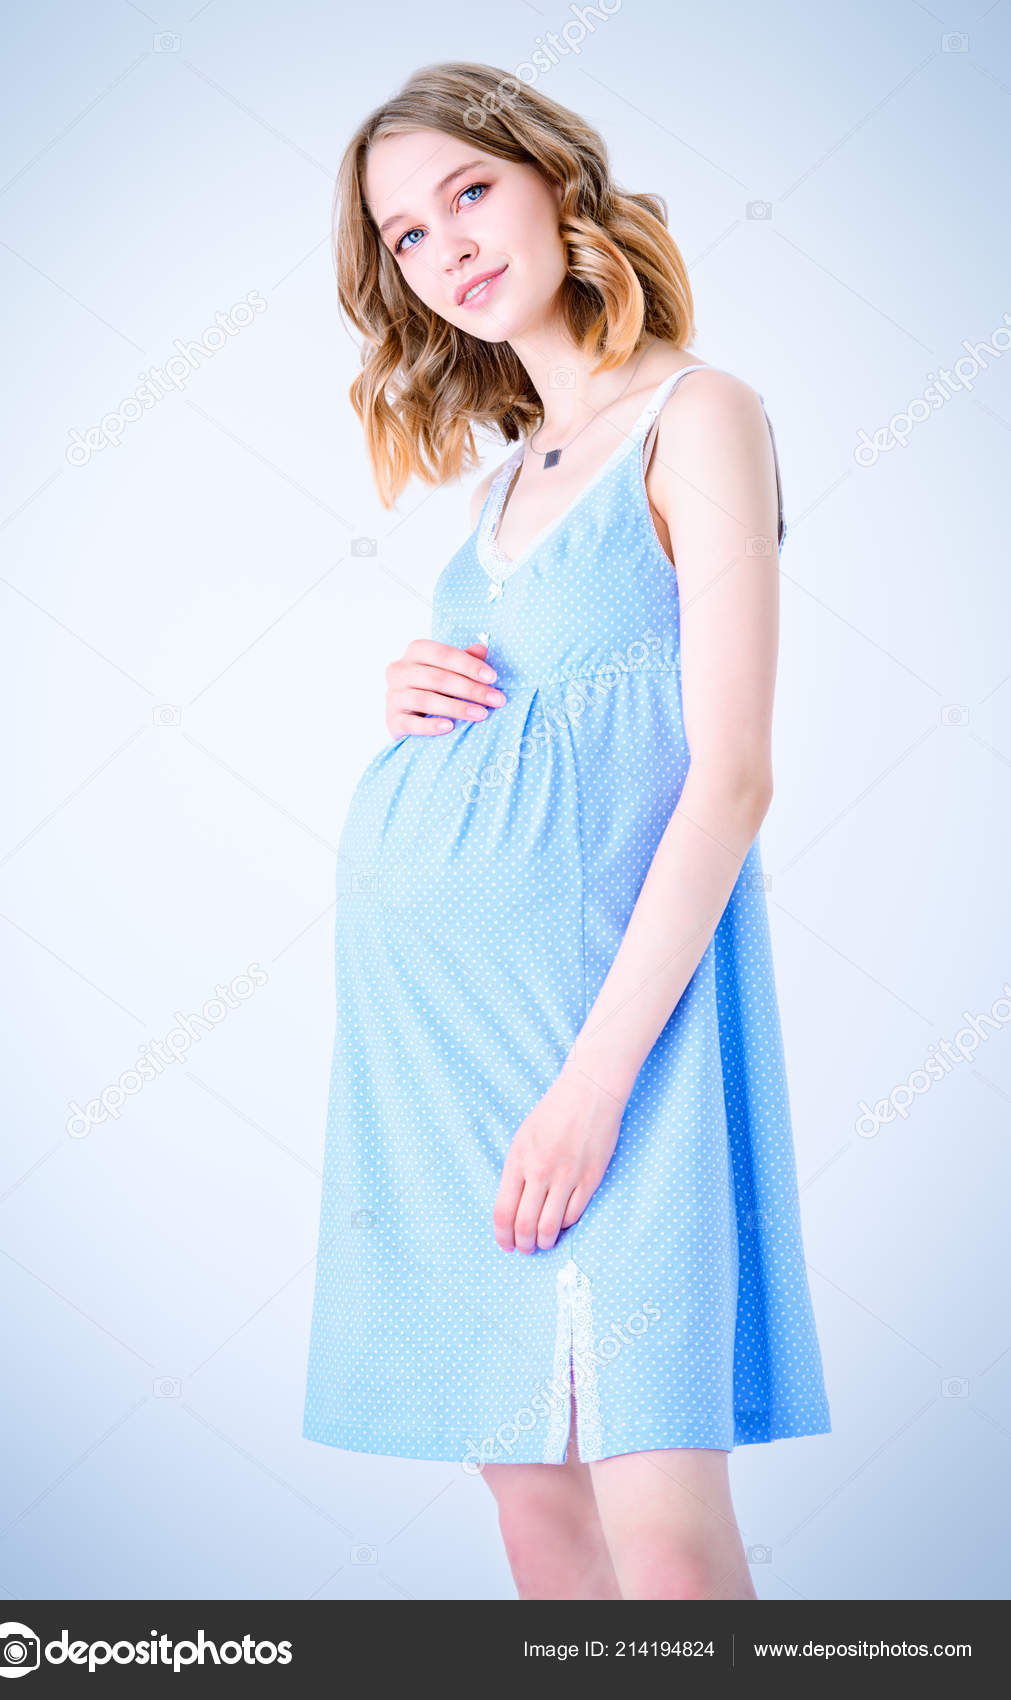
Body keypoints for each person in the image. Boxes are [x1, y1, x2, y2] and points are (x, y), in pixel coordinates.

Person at [302, 61, 832, 1602]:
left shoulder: (701, 413)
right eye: (405, 235)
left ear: (552, 179)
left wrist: (592, 1089)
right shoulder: (502, 482)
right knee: (543, 1535)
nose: (447, 246)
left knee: (664, 1545)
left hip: (613, 1046)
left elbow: (730, 773)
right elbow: (551, 700)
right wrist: (415, 694)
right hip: (442, 1061)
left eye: (467, 192)